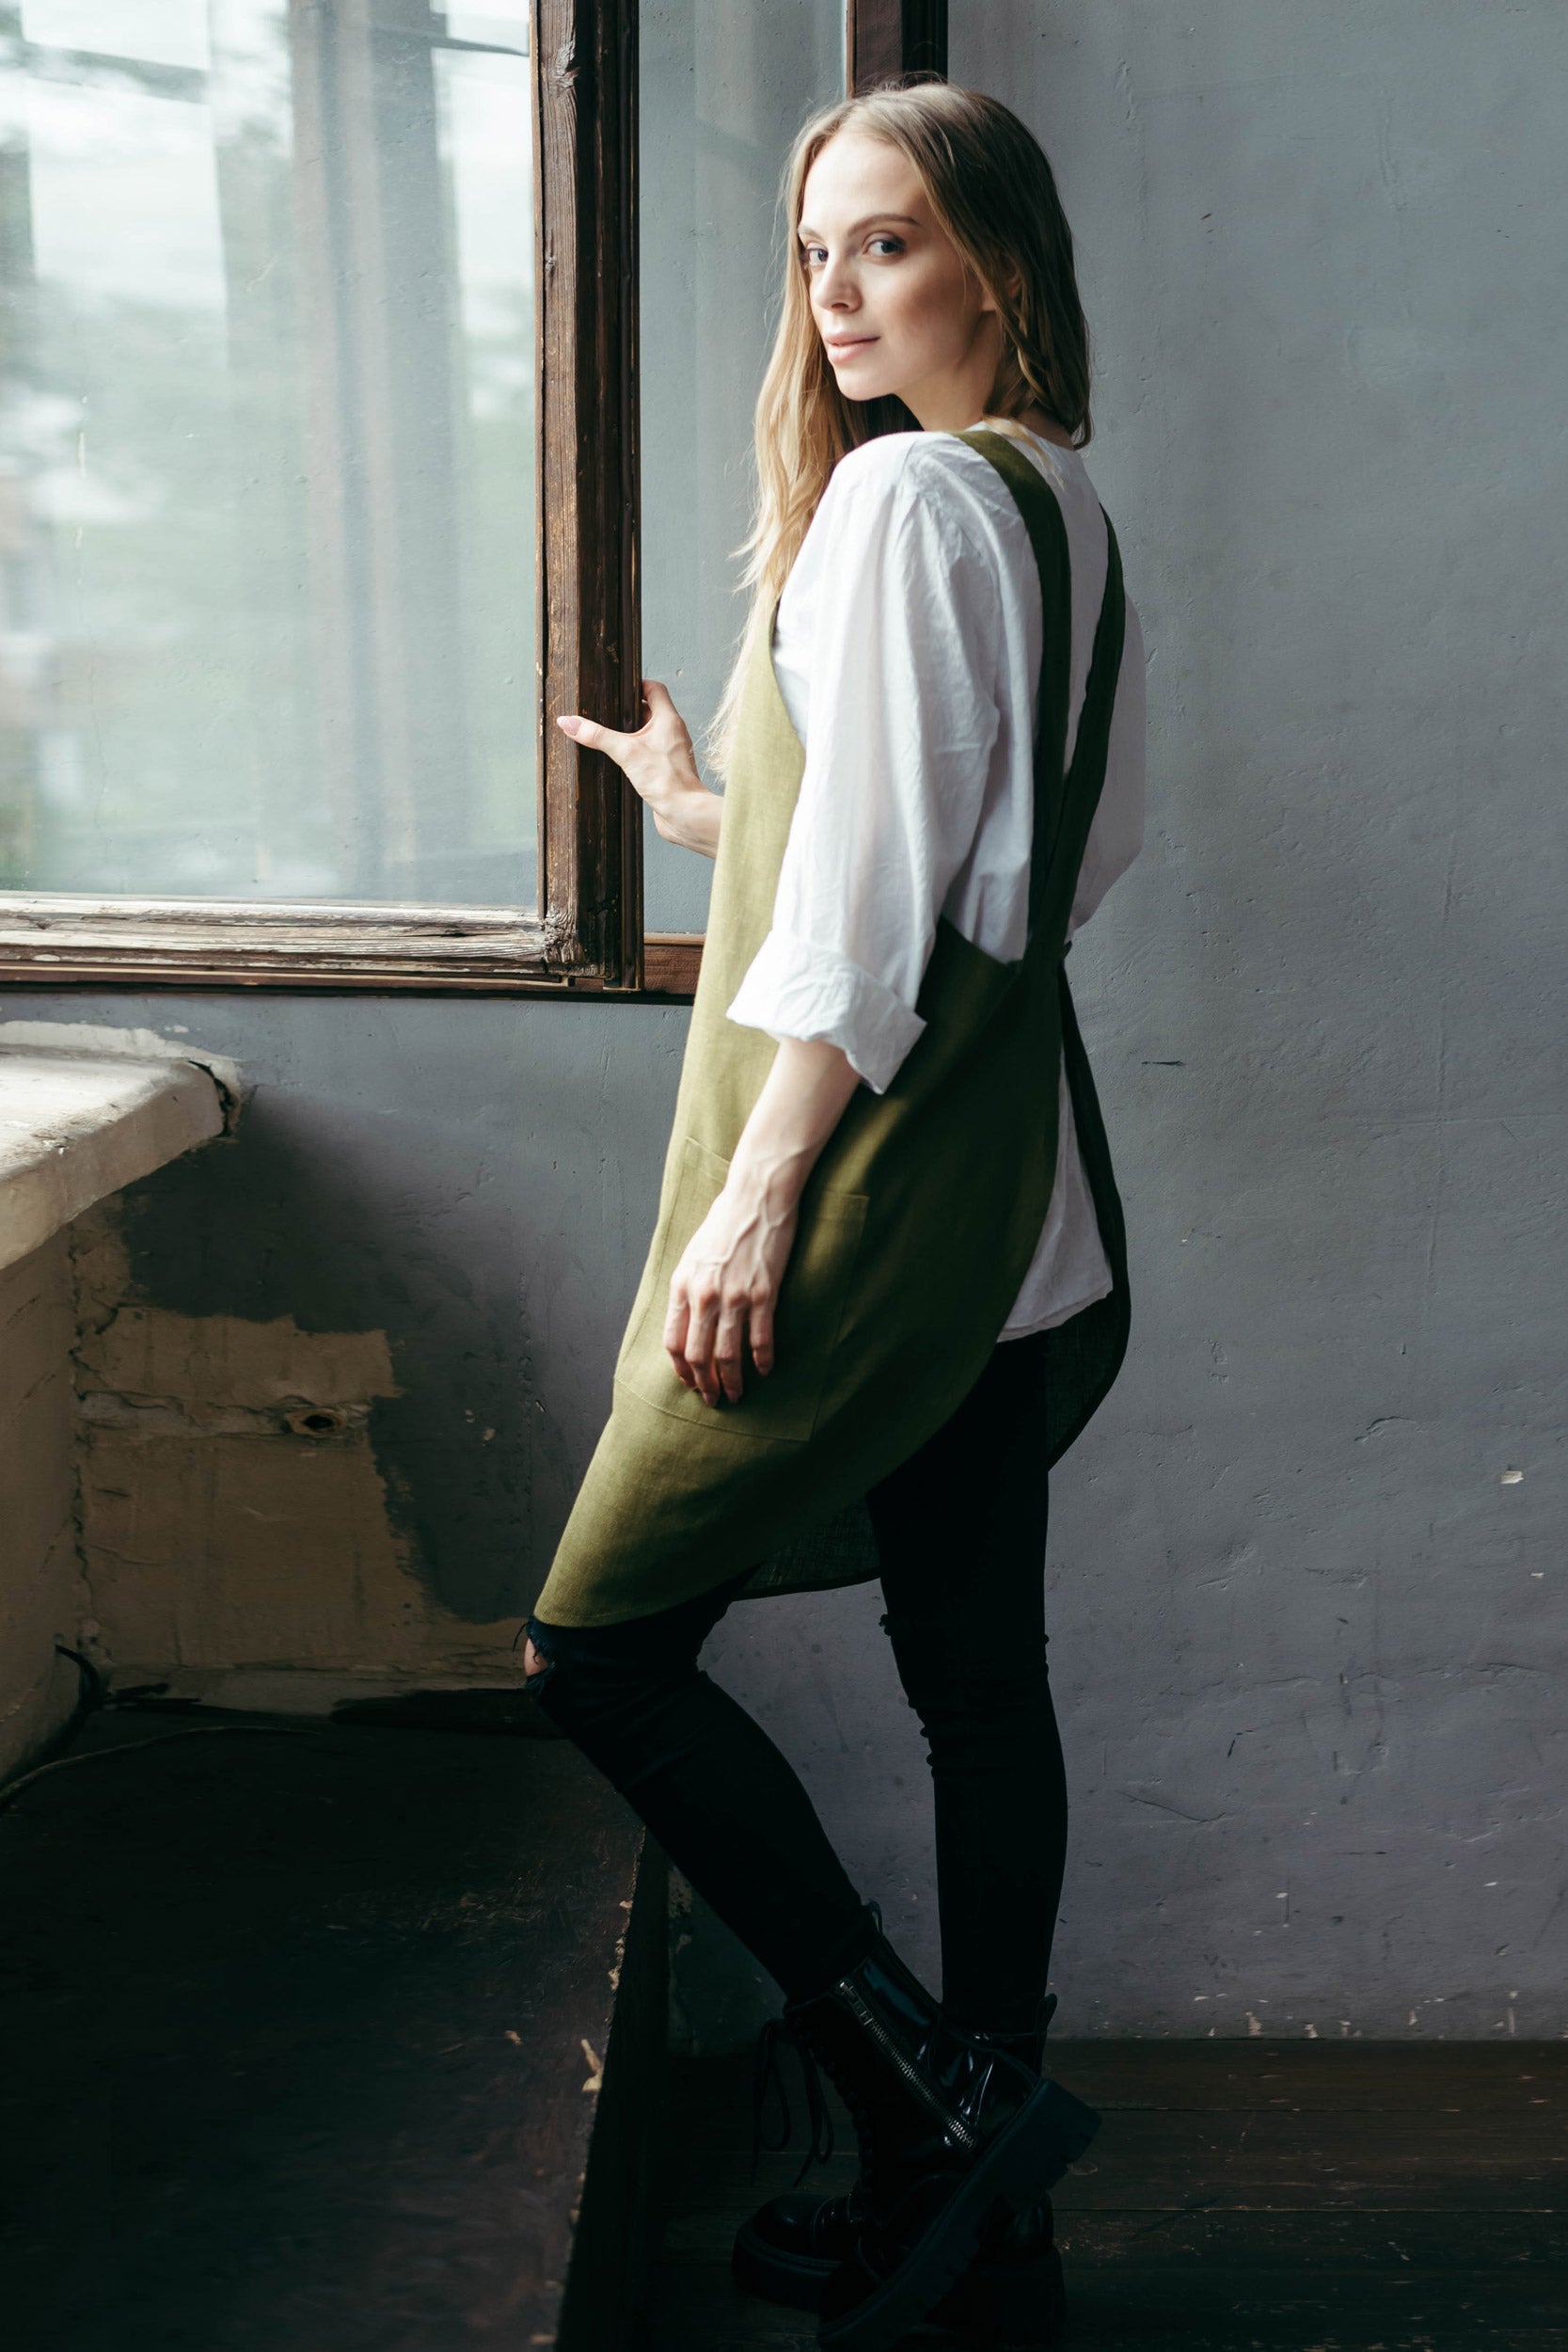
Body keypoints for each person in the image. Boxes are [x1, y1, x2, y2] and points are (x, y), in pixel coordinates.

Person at [523, 76, 1145, 2352]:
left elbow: (887, 905)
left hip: (874, 1180)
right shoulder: (1060, 506)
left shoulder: (895, 505)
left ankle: (925, 2095)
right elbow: (1041, 872)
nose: (841, 290)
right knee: (987, 1692)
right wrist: (718, 811)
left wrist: (758, 1193)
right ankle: (984, 2198)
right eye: (817, 252)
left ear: (991, 254)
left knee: (594, 1653)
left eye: (884, 243)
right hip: (1028, 1185)